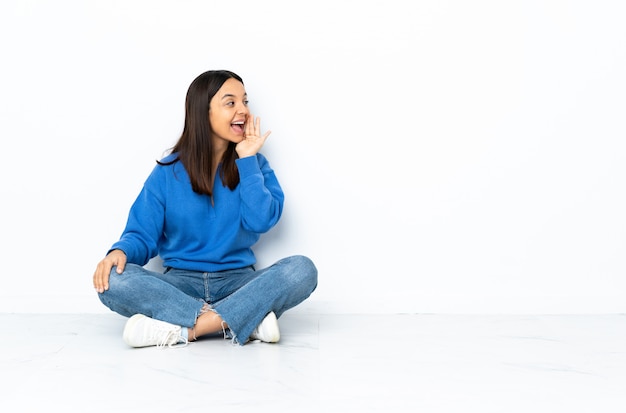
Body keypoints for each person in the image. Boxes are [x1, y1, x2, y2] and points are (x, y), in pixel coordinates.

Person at [92, 69, 318, 348]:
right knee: (114, 280)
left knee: (301, 270)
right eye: (231, 102)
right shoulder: (168, 172)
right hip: (180, 284)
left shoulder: (255, 166)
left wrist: (247, 161)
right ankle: (244, 320)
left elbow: (261, 221)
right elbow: (141, 233)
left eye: (245, 102)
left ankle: (184, 329)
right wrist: (120, 251)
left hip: (239, 283)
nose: (243, 111)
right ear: (203, 112)